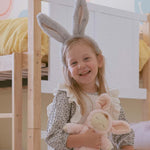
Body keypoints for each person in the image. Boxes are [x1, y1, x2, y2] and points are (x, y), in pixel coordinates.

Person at [37, 0, 135, 149]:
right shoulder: (66, 97)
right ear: (68, 70)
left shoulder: (109, 98)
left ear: (99, 60)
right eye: (74, 63)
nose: (81, 66)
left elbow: (124, 132)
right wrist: (83, 140)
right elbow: (53, 137)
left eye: (86, 58)